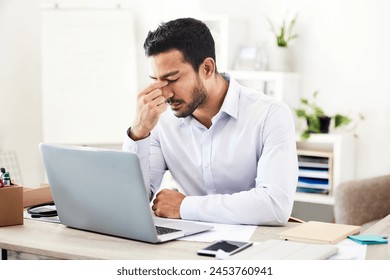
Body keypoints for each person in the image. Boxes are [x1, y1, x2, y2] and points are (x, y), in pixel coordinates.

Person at [123, 17, 298, 225]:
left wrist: (185, 206)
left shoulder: (270, 114)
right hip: (189, 245)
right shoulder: (160, 121)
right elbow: (129, 202)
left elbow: (274, 206)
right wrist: (139, 132)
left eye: (172, 79)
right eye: (156, 81)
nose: (165, 93)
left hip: (255, 244)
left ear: (207, 68)